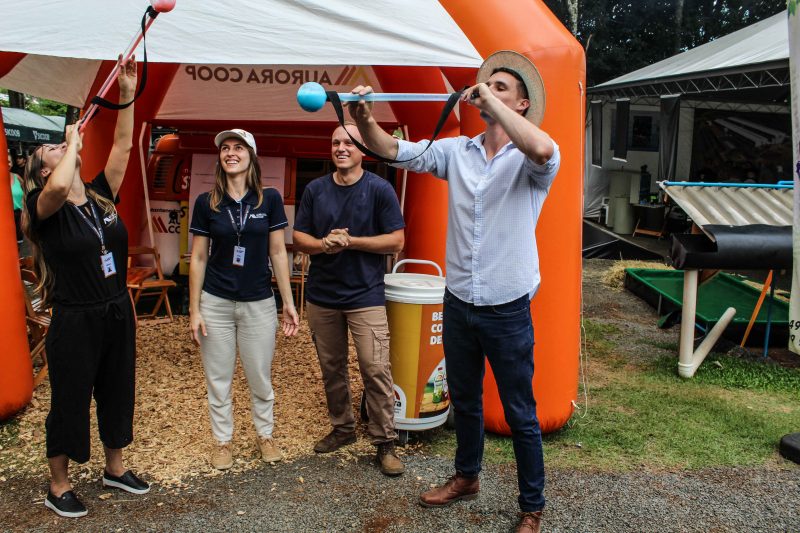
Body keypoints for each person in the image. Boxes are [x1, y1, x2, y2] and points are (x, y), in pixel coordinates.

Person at [346, 50, 561, 533]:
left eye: (502, 87)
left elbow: (544, 151)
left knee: (520, 412)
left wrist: (490, 98)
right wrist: (363, 118)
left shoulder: (533, 157)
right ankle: (467, 477)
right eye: (487, 85)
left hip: (507, 308)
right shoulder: (456, 151)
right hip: (459, 299)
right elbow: (394, 150)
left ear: (522, 105)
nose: (489, 89)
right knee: (463, 399)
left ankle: (532, 507)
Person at [22, 57, 149, 518]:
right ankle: (59, 485)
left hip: (115, 310)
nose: (63, 148)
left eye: (63, 145)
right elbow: (56, 189)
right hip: (75, 319)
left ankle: (115, 469)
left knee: (117, 392)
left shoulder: (98, 195)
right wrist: (72, 142)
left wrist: (127, 92)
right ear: (39, 172)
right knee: (70, 401)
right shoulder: (43, 205)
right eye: (52, 151)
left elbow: (122, 147)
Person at [292, 122, 406, 476]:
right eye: (336, 142)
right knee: (332, 369)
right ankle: (342, 429)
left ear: (363, 150)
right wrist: (324, 244)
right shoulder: (315, 190)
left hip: (365, 295)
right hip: (322, 296)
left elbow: (397, 241)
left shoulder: (379, 190)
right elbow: (298, 237)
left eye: (349, 142)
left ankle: (385, 442)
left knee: (375, 368)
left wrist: (352, 241)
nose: (341, 148)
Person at [189, 129, 300, 470]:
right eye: (225, 148)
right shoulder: (206, 203)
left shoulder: (269, 199)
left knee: (259, 375)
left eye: (238, 147)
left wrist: (289, 301)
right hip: (216, 302)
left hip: (258, 302)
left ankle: (265, 435)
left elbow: (278, 252)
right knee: (218, 378)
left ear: (251, 155)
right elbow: (198, 258)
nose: (231, 153)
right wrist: (193, 309)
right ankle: (222, 442)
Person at [9, 154, 24, 250]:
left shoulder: (17, 176)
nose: (7, 163)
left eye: (9, 161)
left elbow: (26, 190)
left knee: (18, 241)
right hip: (5, 216)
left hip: (19, 214)